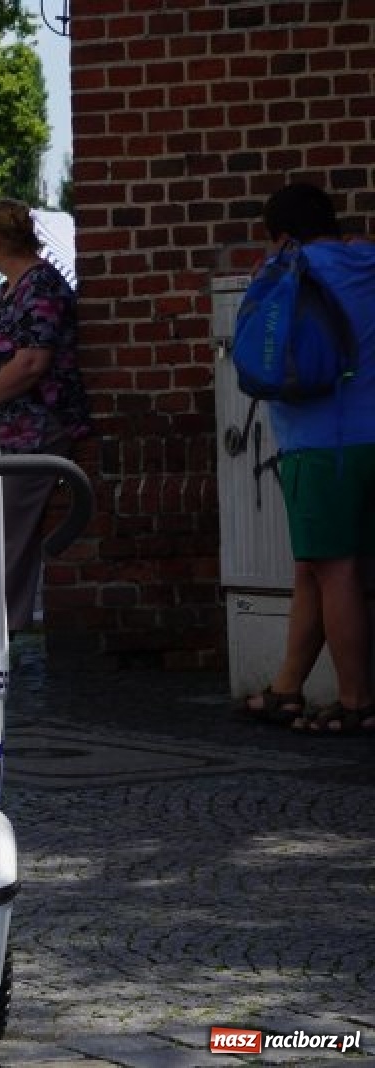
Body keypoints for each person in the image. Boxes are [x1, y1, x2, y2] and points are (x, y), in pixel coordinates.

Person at [231, 182, 375, 735]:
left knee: (334, 570)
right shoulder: (365, 261)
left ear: (283, 237)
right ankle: (287, 689)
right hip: (365, 439)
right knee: (313, 568)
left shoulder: (288, 269)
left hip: (321, 444)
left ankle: (357, 699)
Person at [0, 198, 89, 634]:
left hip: (32, 429)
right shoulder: (9, 290)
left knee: (10, 537)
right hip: (6, 429)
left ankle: (0, 632)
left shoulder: (40, 285)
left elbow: (32, 363)